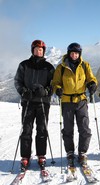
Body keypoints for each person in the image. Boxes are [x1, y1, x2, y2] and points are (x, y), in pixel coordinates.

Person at [52, 42, 97, 166]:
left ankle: (82, 152)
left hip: (81, 100)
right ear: (68, 53)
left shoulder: (85, 65)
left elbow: (91, 78)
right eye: (72, 53)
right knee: (68, 129)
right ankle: (70, 152)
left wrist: (92, 84)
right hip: (67, 102)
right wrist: (57, 89)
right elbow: (55, 82)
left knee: (84, 128)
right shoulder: (61, 67)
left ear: (79, 54)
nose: (74, 55)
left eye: (76, 53)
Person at [14, 40, 55, 171]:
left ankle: (41, 155)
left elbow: (53, 84)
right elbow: (18, 81)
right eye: (37, 49)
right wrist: (24, 92)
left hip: (43, 103)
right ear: (33, 50)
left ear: (44, 51)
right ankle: (25, 156)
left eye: (41, 50)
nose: (39, 51)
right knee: (26, 129)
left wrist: (46, 91)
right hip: (28, 102)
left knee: (42, 129)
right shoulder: (24, 65)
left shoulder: (49, 67)